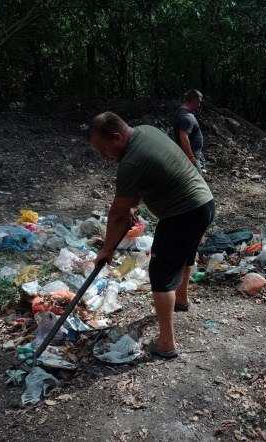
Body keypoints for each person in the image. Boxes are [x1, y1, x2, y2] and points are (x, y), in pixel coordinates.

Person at [88, 112, 215, 358]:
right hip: (204, 203)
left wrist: (107, 249)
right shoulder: (146, 131)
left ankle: (166, 342)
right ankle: (181, 300)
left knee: (160, 273)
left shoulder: (130, 162)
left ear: (117, 137)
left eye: (104, 150)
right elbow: (148, 181)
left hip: (183, 212)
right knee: (185, 253)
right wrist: (132, 206)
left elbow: (117, 213)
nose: (104, 157)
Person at [173, 89, 204, 172]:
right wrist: (191, 158)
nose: (199, 105)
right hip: (189, 159)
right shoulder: (187, 117)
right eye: (199, 102)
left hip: (189, 156)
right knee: (196, 182)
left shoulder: (181, 112)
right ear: (194, 101)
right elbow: (183, 137)